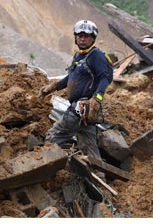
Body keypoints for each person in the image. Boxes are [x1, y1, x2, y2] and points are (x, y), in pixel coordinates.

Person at [38, 19, 113, 160]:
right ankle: (98, 174)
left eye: (86, 36)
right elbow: (70, 78)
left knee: (53, 137)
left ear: (93, 38)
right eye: (79, 36)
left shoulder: (96, 56)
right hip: (85, 111)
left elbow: (104, 78)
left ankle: (45, 166)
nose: (82, 39)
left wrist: (97, 99)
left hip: (83, 107)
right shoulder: (79, 56)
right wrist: (52, 87)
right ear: (75, 38)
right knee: (88, 145)